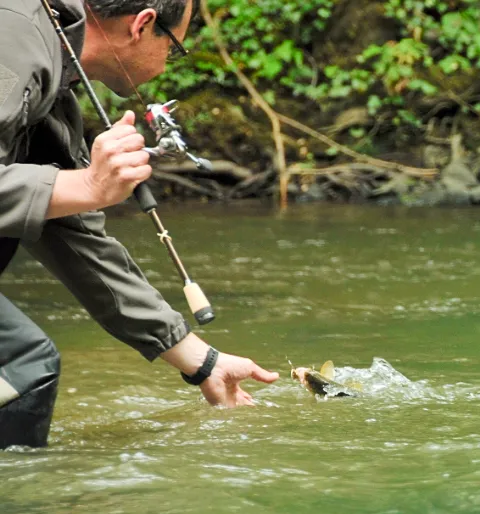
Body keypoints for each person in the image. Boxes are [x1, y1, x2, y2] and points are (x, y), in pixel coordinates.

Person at [0, 0, 279, 449]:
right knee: (23, 366)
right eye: (173, 47)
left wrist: (202, 361)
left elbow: (74, 235)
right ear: (143, 24)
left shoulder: (52, 68)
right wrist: (91, 183)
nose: (169, 63)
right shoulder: (12, 38)